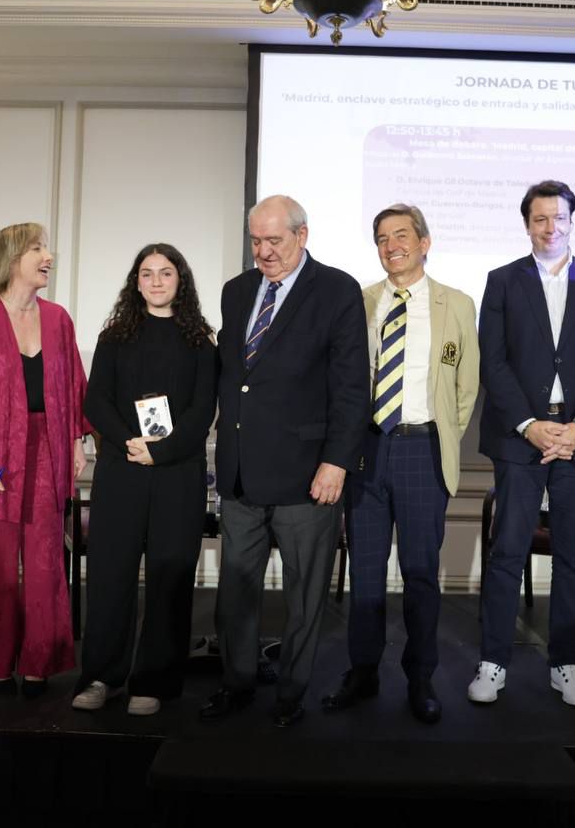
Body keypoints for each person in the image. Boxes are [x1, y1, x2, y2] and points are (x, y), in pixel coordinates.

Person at [201, 195, 369, 728]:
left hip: (307, 476)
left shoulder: (337, 290)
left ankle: (292, 693)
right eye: (256, 241)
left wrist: (337, 462)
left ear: (302, 235)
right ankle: (238, 682)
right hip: (241, 473)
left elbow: (350, 388)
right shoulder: (237, 291)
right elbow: (233, 376)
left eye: (274, 240)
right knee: (236, 591)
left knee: (304, 595)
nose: (264, 252)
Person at [472, 179, 575, 708]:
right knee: (507, 553)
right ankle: (493, 662)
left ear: (571, 221)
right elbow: (492, 361)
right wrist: (528, 424)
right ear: (527, 224)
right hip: (520, 438)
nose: (550, 227)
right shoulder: (502, 282)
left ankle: (566, 664)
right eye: (540, 219)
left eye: (559, 218)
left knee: (573, 560)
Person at [322, 203, 479, 724]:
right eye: (383, 238)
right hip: (365, 449)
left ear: (425, 242)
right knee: (365, 573)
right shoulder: (358, 302)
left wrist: (437, 437)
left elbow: (465, 388)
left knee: (420, 574)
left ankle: (421, 677)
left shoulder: (455, 304)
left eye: (403, 235)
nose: (393, 245)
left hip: (421, 448)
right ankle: (363, 672)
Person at [71, 243, 217, 717]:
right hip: (122, 469)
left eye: (166, 273)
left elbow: (202, 413)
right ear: (136, 281)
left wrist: (162, 452)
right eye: (147, 273)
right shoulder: (115, 337)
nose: (156, 281)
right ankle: (101, 676)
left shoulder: (201, 341)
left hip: (178, 474)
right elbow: (96, 404)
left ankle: (152, 680)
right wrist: (133, 445)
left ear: (181, 280)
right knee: (111, 576)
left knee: (168, 578)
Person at [0, 223, 89, 699]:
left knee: (46, 564)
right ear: (12, 259)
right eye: (37, 248)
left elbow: (74, 385)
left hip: (49, 448)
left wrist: (76, 442)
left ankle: (39, 663)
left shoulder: (58, 319)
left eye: (47, 247)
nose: (48, 256)